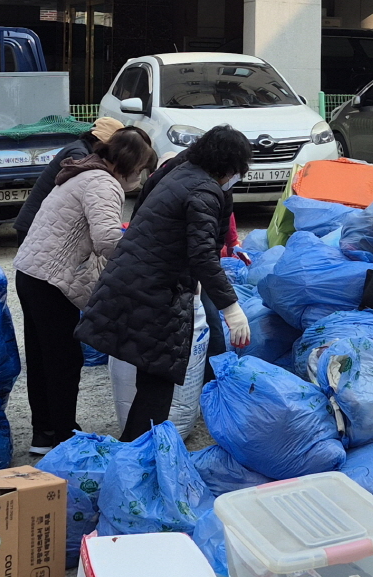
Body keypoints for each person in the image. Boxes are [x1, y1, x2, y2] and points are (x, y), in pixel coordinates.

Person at [78, 125, 253, 439]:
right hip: (151, 291)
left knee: (151, 383)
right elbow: (202, 254)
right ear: (227, 166)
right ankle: (139, 462)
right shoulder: (203, 190)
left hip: (134, 281)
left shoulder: (182, 171)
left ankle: (136, 455)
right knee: (157, 386)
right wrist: (231, 307)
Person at [11, 126, 155, 455]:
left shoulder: (82, 171)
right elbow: (107, 239)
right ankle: (64, 434)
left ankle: (43, 434)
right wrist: (145, 250)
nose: (139, 177)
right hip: (50, 280)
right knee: (64, 359)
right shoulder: (103, 183)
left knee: (41, 357)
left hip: (30, 271)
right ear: (129, 162)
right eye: (140, 168)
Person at [12, 116, 125, 240]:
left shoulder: (83, 149)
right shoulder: (79, 154)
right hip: (35, 225)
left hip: (40, 223)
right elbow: (86, 190)